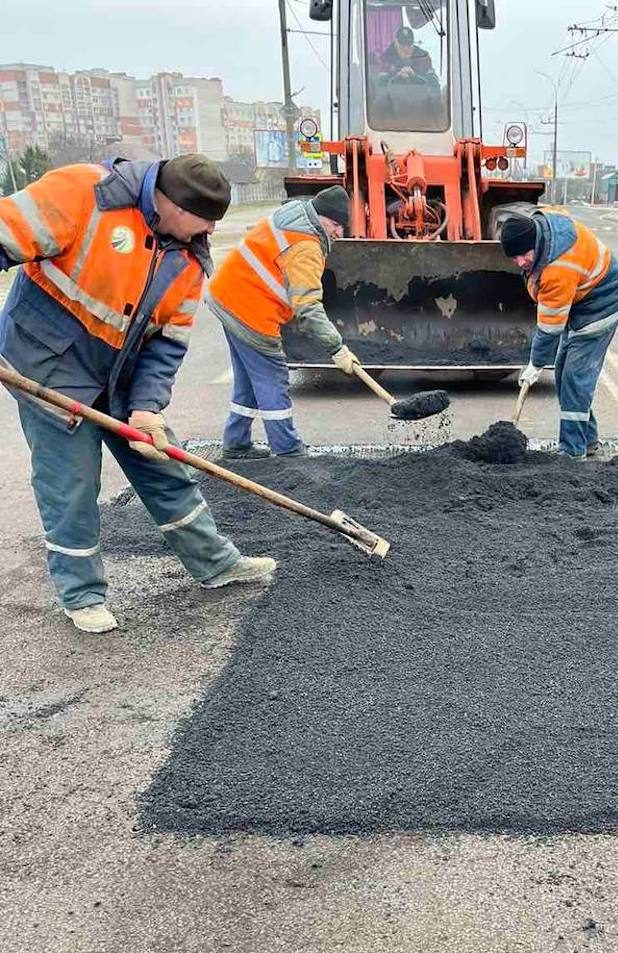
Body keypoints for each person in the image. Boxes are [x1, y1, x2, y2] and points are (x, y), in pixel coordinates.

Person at [0, 154, 276, 635]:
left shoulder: (189, 256)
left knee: (160, 459)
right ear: (170, 204)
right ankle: (81, 593)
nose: (208, 231)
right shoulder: (84, 193)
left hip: (122, 367)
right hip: (49, 360)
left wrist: (147, 409)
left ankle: (214, 563)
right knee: (71, 479)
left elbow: (168, 343)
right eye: (203, 220)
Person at [207, 185, 360, 459]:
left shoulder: (294, 213)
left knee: (248, 380)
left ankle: (236, 443)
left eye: (343, 226)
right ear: (320, 215)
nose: (339, 232)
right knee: (273, 377)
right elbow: (308, 307)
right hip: (249, 310)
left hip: (227, 296)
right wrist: (337, 348)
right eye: (335, 224)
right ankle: (288, 450)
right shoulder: (306, 247)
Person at [501, 209, 618, 461]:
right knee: (563, 374)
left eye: (523, 254)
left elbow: (550, 328)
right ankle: (587, 439)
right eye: (513, 257)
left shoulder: (558, 269)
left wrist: (535, 364)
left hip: (603, 305)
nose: (519, 262)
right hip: (583, 301)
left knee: (574, 377)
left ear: (535, 243)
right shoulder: (541, 229)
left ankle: (572, 452)